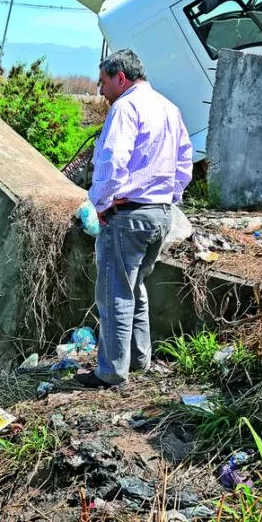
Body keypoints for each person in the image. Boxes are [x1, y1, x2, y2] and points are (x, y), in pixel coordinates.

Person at [78, 49, 193, 389]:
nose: (101, 91)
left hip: (128, 215)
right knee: (135, 287)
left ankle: (111, 371)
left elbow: (113, 160)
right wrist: (168, 196)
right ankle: (139, 360)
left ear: (121, 78)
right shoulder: (169, 108)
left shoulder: (126, 107)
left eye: (103, 83)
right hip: (160, 214)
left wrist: (99, 204)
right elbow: (184, 162)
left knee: (114, 293)